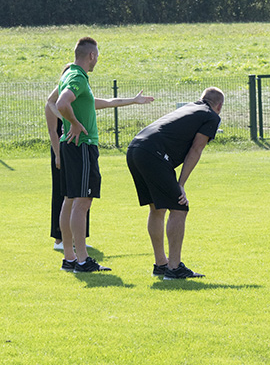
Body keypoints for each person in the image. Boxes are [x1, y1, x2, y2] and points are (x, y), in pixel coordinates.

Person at [50, 37, 154, 273]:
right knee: (82, 202)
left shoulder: (69, 74)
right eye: (97, 55)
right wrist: (74, 124)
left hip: (70, 146)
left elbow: (98, 102)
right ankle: (83, 260)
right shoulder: (77, 77)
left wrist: (133, 101)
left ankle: (69, 258)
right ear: (92, 56)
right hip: (82, 145)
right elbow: (62, 102)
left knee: (69, 200)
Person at [126, 87, 223, 279]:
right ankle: (174, 267)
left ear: (201, 98)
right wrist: (181, 184)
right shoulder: (211, 116)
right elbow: (196, 150)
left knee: (157, 208)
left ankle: (161, 264)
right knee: (179, 208)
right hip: (153, 153)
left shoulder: (190, 107)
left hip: (135, 148)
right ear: (219, 106)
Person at [45, 65, 90, 251]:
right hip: (61, 152)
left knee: (80, 195)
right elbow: (52, 132)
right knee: (62, 195)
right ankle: (59, 239)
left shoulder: (73, 103)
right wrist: (57, 156)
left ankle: (76, 239)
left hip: (74, 151)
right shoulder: (53, 106)